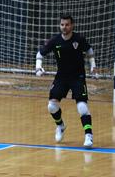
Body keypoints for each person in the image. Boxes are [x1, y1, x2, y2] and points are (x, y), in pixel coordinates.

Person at [35, 14, 97, 149]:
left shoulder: (79, 39)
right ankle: (60, 125)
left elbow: (89, 51)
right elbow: (40, 54)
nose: (64, 27)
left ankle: (88, 136)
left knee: (82, 107)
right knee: (51, 106)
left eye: (67, 24)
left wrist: (93, 65)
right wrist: (38, 67)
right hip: (61, 77)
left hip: (78, 77)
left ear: (72, 25)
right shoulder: (55, 41)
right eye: (62, 25)